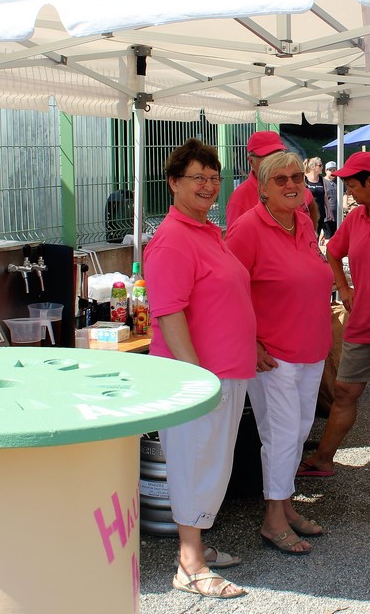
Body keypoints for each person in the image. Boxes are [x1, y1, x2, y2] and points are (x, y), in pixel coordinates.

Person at [144, 138, 253, 599]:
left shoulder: (207, 230)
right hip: (200, 377)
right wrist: (197, 378)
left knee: (212, 462)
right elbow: (169, 314)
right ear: (173, 183)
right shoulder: (171, 239)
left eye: (214, 177)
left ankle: (197, 548)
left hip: (225, 369)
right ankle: (188, 563)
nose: (208, 185)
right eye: (197, 177)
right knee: (193, 463)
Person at [225, 150, 335, 556]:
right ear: (263, 189)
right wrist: (250, 342)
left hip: (310, 348)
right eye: (281, 180)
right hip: (273, 354)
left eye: (296, 178)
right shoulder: (247, 229)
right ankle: (273, 518)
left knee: (299, 431)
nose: (292, 185)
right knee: (283, 434)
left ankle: (285, 504)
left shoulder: (303, 221)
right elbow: (226, 291)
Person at [299, 151, 370, 484]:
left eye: (352, 185)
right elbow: (333, 252)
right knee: (345, 392)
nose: (348, 192)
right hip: (361, 323)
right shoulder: (356, 218)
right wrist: (343, 287)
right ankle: (324, 458)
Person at [225, 130, 319, 230]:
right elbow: (235, 241)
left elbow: (310, 202)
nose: (274, 162)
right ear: (251, 161)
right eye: (267, 158)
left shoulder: (293, 185)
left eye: (278, 156)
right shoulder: (240, 198)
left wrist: (311, 237)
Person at [303, 156, 328, 237]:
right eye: (320, 165)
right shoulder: (304, 178)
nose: (322, 168)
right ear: (313, 167)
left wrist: (329, 211)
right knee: (307, 237)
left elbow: (325, 196)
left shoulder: (322, 179)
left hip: (320, 213)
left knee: (316, 238)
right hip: (308, 213)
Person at [322, 160, 339, 240]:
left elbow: (344, 193)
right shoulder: (322, 181)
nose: (332, 172)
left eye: (334, 170)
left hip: (338, 215)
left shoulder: (339, 182)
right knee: (328, 238)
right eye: (330, 170)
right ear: (326, 171)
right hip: (327, 216)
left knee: (337, 238)